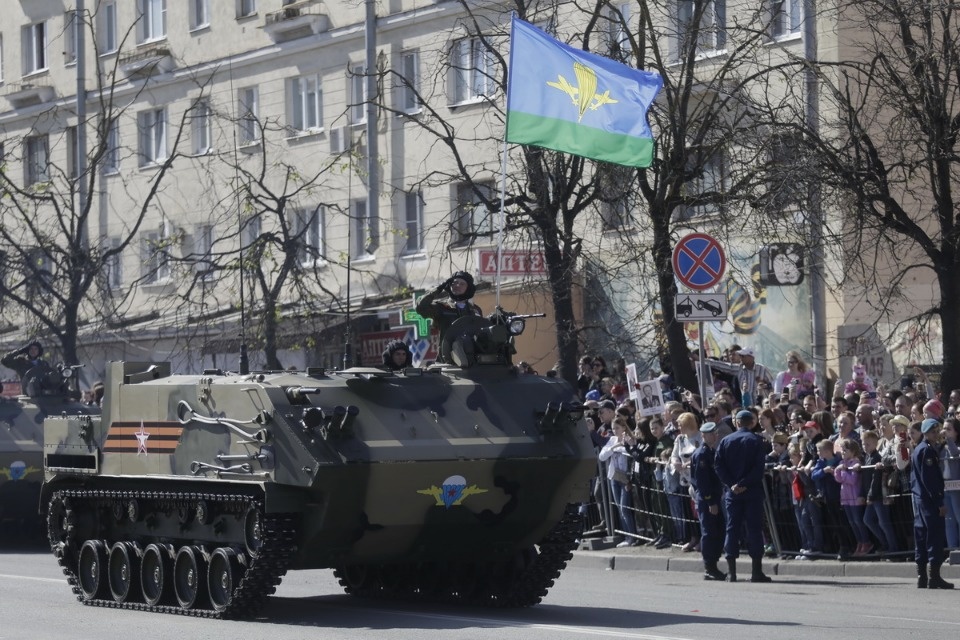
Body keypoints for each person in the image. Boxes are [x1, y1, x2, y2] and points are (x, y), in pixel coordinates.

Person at [713, 409, 772, 582]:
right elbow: (759, 468)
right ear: (751, 423)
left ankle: (732, 572)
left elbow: (718, 466)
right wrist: (743, 483)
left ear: (737, 423)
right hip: (752, 491)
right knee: (754, 529)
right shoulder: (756, 440)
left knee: (732, 528)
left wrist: (732, 484)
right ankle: (756, 571)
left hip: (733, 493)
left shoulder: (726, 441)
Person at [912, 418, 954, 589]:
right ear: (925, 432)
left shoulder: (919, 449)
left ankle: (922, 576)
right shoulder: (927, 451)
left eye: (937, 431)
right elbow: (930, 479)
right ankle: (933, 576)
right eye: (932, 432)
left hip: (920, 499)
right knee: (934, 537)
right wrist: (939, 502)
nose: (936, 434)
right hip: (929, 501)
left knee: (921, 537)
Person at [415, 271, 482, 362]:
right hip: (447, 357)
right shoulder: (442, 307)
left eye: (462, 284)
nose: (457, 285)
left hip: (472, 357)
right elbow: (421, 307)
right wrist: (438, 288)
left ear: (468, 288)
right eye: (454, 282)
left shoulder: (475, 310)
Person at [691, 421, 726, 580]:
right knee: (709, 532)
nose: (715, 435)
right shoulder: (702, 454)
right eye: (711, 433)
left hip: (715, 497)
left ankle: (713, 565)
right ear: (703, 435)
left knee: (717, 530)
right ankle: (709, 567)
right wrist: (710, 501)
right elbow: (702, 481)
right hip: (708, 499)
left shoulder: (711, 451)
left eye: (715, 433)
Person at [598, 416, 640, 547]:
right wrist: (613, 447)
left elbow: (630, 451)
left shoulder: (630, 438)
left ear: (623, 427)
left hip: (626, 478)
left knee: (624, 508)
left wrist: (621, 447)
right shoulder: (612, 440)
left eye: (617, 428)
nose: (615, 431)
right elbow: (602, 456)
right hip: (614, 477)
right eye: (613, 428)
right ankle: (627, 536)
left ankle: (632, 536)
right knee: (620, 508)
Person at [942, 417, 960, 549]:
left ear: (956, 432)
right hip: (945, 487)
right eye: (943, 429)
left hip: (956, 488)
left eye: (948, 429)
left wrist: (948, 439)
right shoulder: (942, 447)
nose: (944, 431)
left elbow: (955, 453)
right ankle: (952, 549)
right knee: (949, 521)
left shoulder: (957, 446)